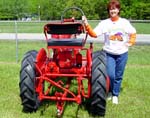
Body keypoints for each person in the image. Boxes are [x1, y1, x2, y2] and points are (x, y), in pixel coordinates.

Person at [82, 0, 136, 104]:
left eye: (115, 8)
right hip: (109, 53)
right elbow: (94, 34)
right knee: (110, 75)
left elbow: (133, 33)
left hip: (122, 54)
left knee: (118, 75)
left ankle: (115, 94)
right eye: (111, 9)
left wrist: (131, 42)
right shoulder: (104, 23)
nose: (113, 11)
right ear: (109, 11)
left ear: (118, 10)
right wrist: (86, 24)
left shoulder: (124, 22)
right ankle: (111, 91)